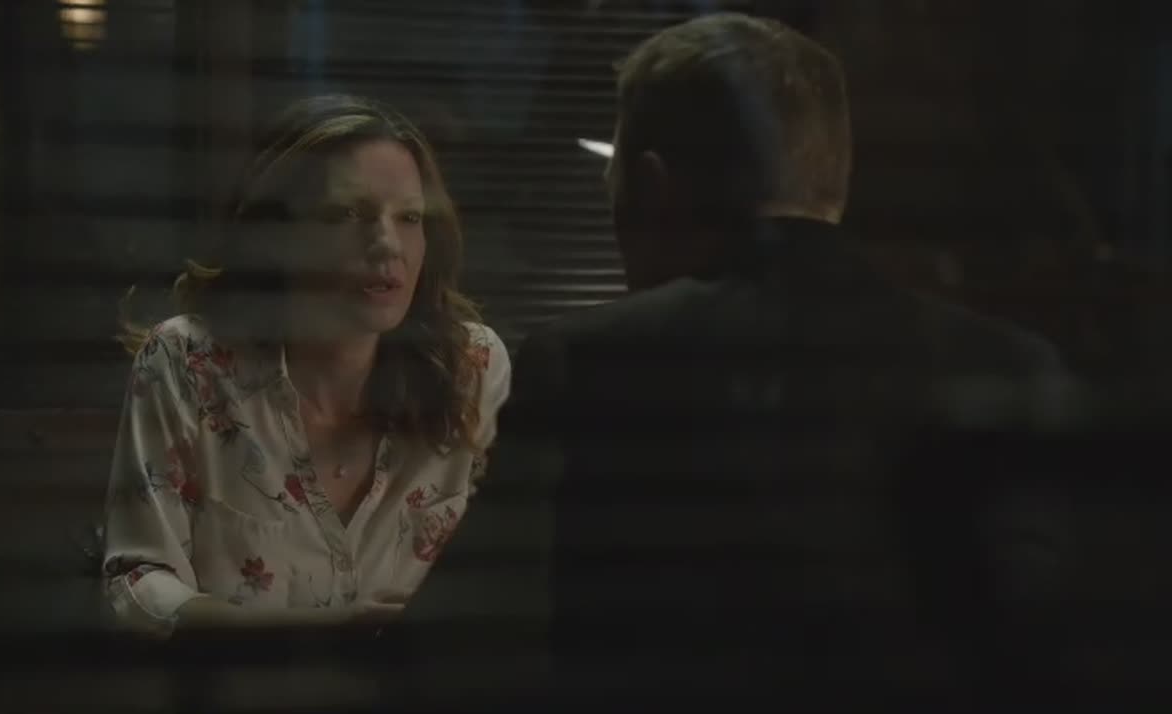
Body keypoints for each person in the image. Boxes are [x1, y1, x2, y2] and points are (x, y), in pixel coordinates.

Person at [400, 13, 1071, 710]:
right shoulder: (1010, 367)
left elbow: (459, 652)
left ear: (651, 188)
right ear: (835, 182)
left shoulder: (592, 365)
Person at [100, 95, 510, 638]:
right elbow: (138, 580)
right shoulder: (188, 364)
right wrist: (317, 636)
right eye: (347, 215)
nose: (387, 245)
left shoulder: (472, 367)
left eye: (409, 218)